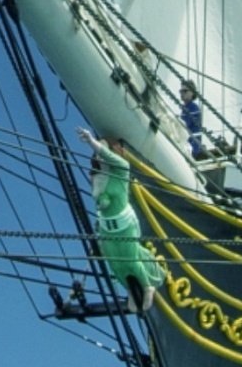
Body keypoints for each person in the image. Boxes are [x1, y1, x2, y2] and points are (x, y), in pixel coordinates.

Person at [78, 129, 163, 313]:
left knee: (131, 260)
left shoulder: (122, 169)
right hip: (107, 228)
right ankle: (131, 292)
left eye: (104, 152)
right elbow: (100, 202)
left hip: (124, 224)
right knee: (115, 264)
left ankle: (147, 287)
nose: (100, 158)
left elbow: (108, 156)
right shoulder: (99, 179)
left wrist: (92, 142)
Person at [178, 80, 205, 160]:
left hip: (191, 147)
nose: (182, 93)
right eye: (181, 91)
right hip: (188, 145)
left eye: (185, 91)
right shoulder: (186, 108)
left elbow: (184, 125)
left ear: (192, 93)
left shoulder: (193, 108)